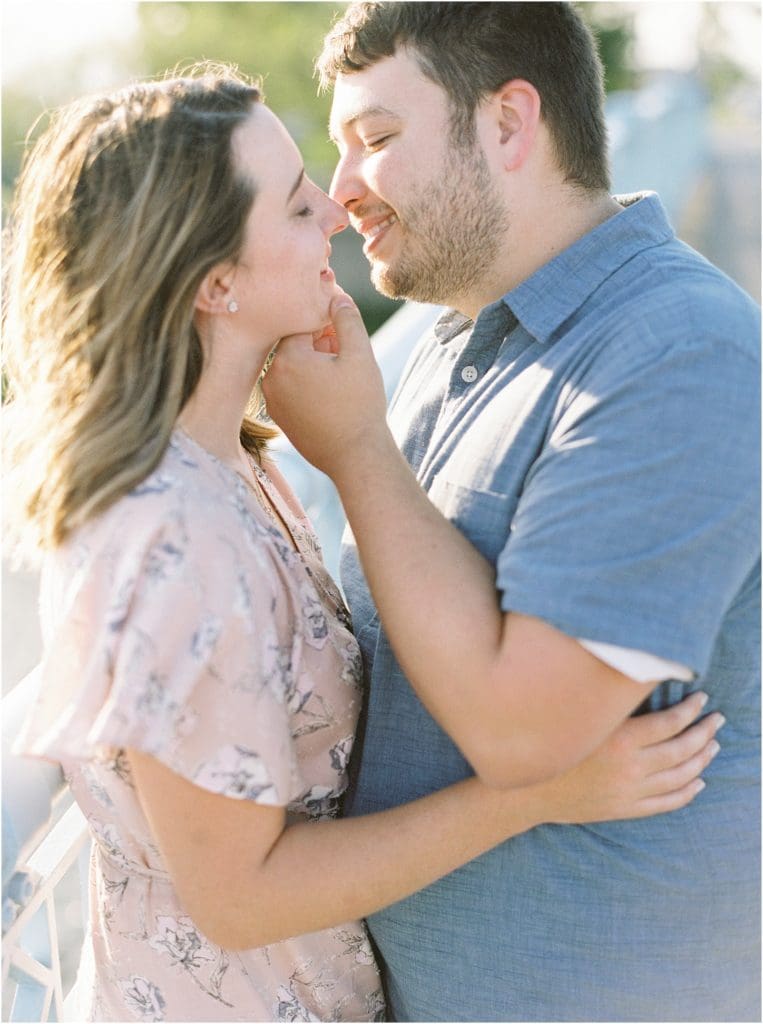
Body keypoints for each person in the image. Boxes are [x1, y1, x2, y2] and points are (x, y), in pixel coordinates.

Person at [3, 62, 720, 1023]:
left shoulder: (233, 463)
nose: (335, 213)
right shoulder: (172, 541)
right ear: (215, 282)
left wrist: (350, 445)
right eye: (296, 207)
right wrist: (536, 792)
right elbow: (240, 898)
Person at [261, 3, 762, 1021]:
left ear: (507, 123)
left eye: (376, 138)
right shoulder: (456, 340)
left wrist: (356, 451)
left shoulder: (676, 349)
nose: (343, 188)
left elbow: (527, 734)